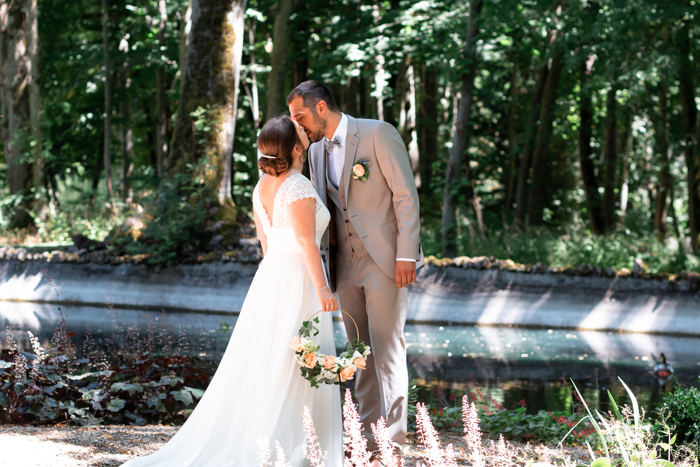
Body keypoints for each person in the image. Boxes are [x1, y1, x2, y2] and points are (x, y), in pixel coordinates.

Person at [120, 116, 343, 467]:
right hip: (298, 275)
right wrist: (322, 288)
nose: (305, 129)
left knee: (278, 356)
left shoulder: (260, 187)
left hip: (272, 275)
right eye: (300, 131)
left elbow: (265, 243)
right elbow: (305, 242)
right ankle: (293, 443)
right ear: (296, 148)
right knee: (295, 356)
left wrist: (275, 281)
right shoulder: (297, 185)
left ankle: (288, 436)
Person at [287, 81, 423, 458]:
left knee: (388, 350)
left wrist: (406, 255)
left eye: (299, 116)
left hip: (386, 261)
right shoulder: (314, 153)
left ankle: (392, 445)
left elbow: (405, 195)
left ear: (320, 108)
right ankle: (364, 441)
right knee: (359, 352)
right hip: (343, 265)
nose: (297, 125)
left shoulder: (379, 133)